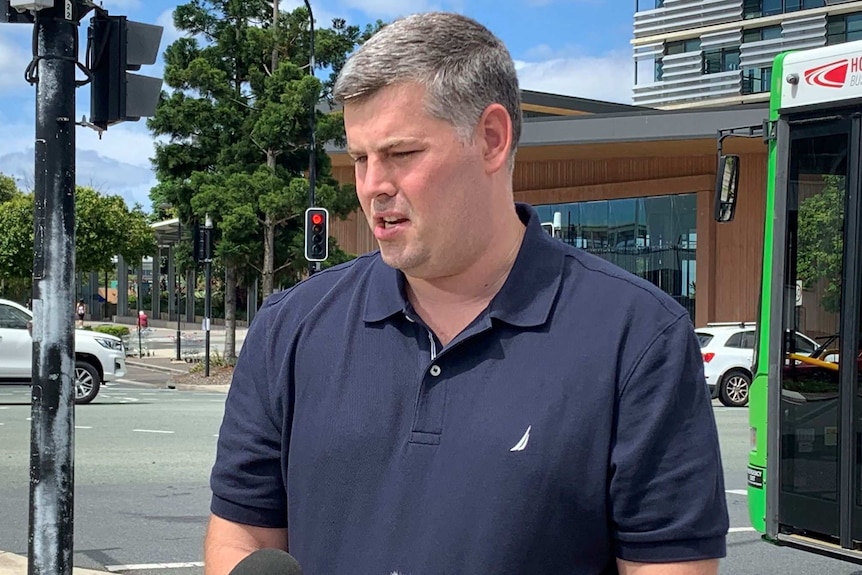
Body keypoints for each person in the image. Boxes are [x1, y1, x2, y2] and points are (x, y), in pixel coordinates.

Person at [205, 12, 728, 575]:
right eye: (360, 158)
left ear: (492, 139)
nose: (373, 185)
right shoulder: (291, 325)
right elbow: (242, 533)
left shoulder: (637, 337)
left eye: (401, 154)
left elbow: (668, 565)